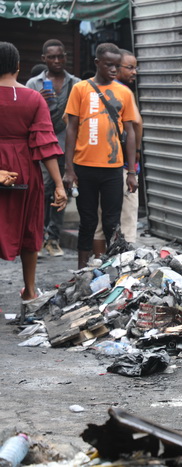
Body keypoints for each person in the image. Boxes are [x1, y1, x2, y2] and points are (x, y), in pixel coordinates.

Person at [0, 41, 67, 310]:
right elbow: (46, 143)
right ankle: (29, 290)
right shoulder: (33, 98)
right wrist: (59, 185)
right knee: (29, 227)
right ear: (18, 67)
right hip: (25, 170)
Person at [63, 43, 138, 268]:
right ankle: (82, 270)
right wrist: (68, 168)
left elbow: (130, 131)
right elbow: (71, 128)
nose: (114, 69)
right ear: (97, 63)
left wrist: (132, 171)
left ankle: (111, 269)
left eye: (117, 65)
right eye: (109, 65)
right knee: (87, 221)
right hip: (84, 166)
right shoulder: (80, 89)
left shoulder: (124, 92)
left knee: (111, 223)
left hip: (113, 168)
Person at [26, 39, 81, 257]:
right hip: (41, 147)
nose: (57, 61)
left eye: (60, 56)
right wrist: (37, 101)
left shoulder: (76, 83)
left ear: (65, 57)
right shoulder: (33, 84)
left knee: (64, 190)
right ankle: (37, 237)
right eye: (52, 57)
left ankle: (53, 238)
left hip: (67, 147)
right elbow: (25, 116)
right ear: (44, 59)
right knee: (42, 190)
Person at [93, 48, 143, 253]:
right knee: (127, 221)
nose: (134, 72)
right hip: (121, 166)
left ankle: (96, 266)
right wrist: (136, 152)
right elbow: (137, 124)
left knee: (100, 220)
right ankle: (124, 266)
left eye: (135, 67)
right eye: (129, 67)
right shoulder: (123, 93)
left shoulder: (92, 89)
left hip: (99, 165)